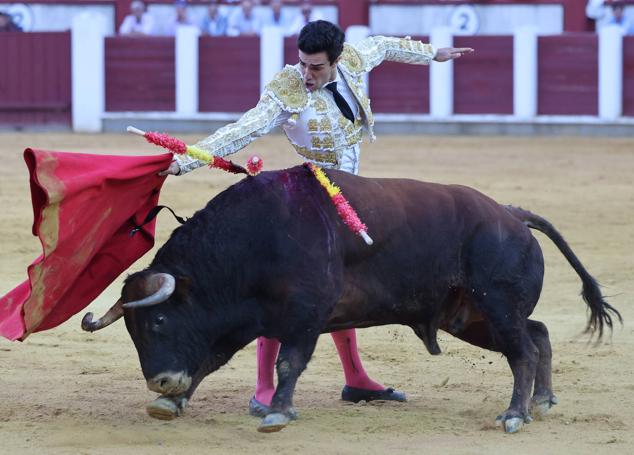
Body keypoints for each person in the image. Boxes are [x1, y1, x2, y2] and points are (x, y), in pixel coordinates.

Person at [160, 20, 473, 417]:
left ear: (337, 60)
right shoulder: (286, 90)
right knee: (284, 290)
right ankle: (264, 387)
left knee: (344, 286)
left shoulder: (354, 60)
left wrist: (434, 54)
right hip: (308, 202)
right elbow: (241, 130)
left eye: (316, 68)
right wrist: (183, 162)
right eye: (302, 64)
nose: (306, 74)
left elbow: (384, 45)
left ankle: (356, 378)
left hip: (351, 196)